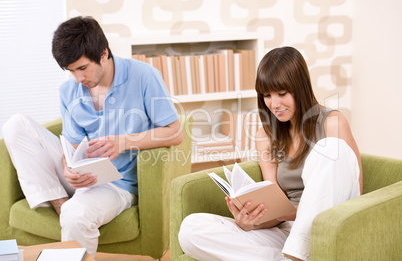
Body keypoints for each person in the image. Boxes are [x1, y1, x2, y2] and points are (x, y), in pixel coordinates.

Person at [2, 16, 182, 257]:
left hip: (116, 185)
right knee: (15, 125)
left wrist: (124, 142)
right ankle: (61, 205)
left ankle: (72, 212)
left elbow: (175, 132)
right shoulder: (69, 90)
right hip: (83, 177)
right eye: (71, 71)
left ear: (104, 54)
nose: (78, 78)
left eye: (82, 68)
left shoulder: (144, 76)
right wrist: (69, 169)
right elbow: (72, 147)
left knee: (76, 216)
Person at [178, 46, 362, 261]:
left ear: (300, 88)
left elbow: (353, 191)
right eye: (267, 95)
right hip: (287, 230)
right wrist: (250, 220)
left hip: (325, 228)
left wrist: (290, 215)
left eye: (282, 94)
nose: (274, 104)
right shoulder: (265, 136)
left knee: (331, 148)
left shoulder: (332, 123)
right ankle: (291, 256)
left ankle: (297, 253)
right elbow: (275, 204)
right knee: (191, 229)